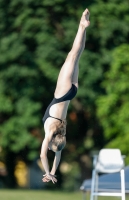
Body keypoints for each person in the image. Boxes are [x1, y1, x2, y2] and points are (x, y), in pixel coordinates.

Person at [40, 8, 90, 184]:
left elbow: (57, 155)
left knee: (77, 56)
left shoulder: (61, 135)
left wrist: (53, 172)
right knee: (72, 55)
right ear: (53, 141)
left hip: (71, 93)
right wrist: (47, 172)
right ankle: (81, 26)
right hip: (62, 93)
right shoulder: (51, 133)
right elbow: (43, 155)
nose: (55, 150)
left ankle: (84, 27)